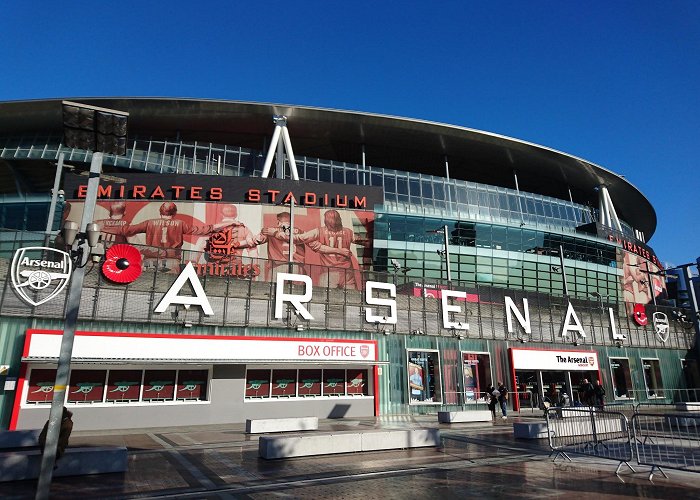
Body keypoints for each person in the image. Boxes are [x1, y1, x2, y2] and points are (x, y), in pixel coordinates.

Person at [292, 209, 367, 290]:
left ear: (325, 220)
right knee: (352, 300)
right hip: (347, 274)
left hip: (328, 273)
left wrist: (283, 234)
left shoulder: (319, 231)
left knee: (325, 300)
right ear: (340, 219)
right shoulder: (348, 232)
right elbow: (365, 242)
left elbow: (299, 238)